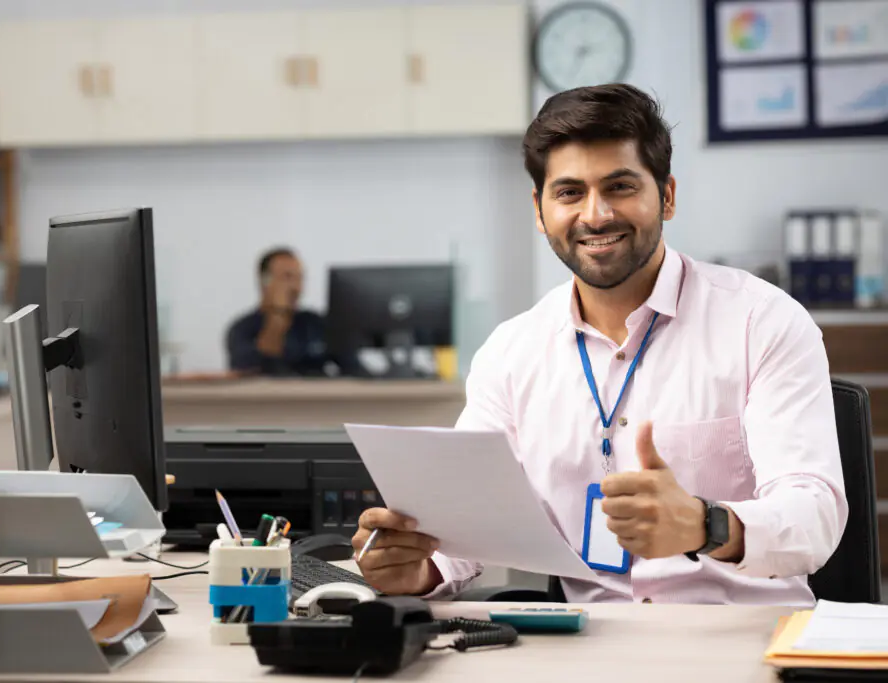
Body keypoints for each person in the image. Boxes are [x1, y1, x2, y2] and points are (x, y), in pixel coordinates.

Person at [351, 84, 847, 605]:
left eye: (620, 187)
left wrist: (707, 525)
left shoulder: (760, 321)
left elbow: (815, 514)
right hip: (589, 642)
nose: (595, 214)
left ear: (667, 196)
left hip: (740, 638)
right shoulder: (512, 352)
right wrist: (417, 569)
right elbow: (468, 525)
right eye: (569, 193)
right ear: (541, 213)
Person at [226, 247, 355, 377]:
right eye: (287, 277)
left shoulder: (316, 323)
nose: (296, 287)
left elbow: (355, 369)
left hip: (315, 395)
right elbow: (251, 370)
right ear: (264, 282)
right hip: (273, 396)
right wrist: (278, 316)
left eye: (300, 278)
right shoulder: (242, 329)